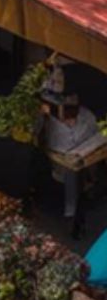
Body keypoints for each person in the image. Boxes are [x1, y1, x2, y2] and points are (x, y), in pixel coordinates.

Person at [42, 95, 105, 237]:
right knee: (72, 179)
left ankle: (87, 193)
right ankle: (73, 215)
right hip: (63, 163)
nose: (69, 119)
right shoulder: (50, 122)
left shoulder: (87, 116)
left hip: (86, 157)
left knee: (83, 176)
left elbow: (97, 136)